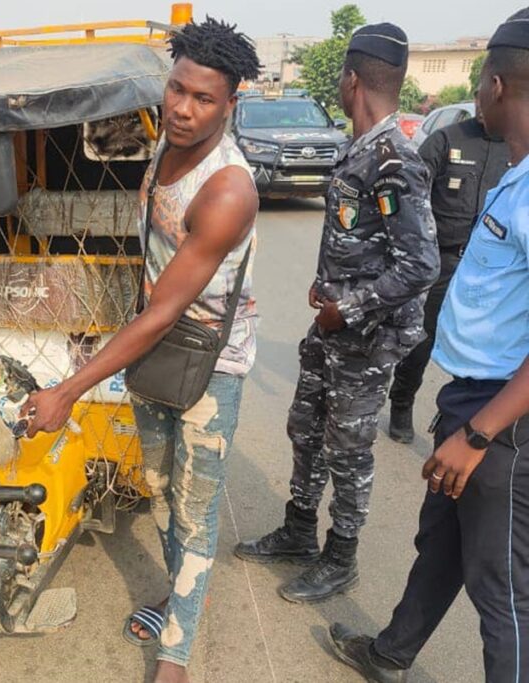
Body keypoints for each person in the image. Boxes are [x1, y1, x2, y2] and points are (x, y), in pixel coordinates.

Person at [20, 18, 261, 683]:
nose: (183, 109)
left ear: (230, 103)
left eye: (203, 99)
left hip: (211, 361)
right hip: (155, 350)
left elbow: (162, 310)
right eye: (176, 90)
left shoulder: (227, 189)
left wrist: (67, 391)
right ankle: (177, 592)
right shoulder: (164, 145)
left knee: (195, 508)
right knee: (156, 491)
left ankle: (176, 656)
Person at [327, 11, 529, 682]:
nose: (476, 96)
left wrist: (477, 434)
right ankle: (391, 654)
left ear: (497, 84)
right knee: (441, 543)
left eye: (479, 83)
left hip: (502, 416)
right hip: (473, 399)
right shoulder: (515, 174)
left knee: (502, 588)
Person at [234, 24, 439, 603]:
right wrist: (326, 286)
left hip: (366, 339)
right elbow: (365, 241)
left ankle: (340, 557)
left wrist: (346, 306)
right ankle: (299, 530)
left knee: (348, 449)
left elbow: (420, 264)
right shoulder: (361, 148)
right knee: (306, 428)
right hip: (334, 328)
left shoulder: (395, 159)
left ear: (351, 80)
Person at [386, 95, 510, 442]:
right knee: (422, 338)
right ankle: (401, 401)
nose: (484, 108)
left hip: (493, 272)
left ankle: (473, 418)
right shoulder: (447, 139)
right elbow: (411, 196)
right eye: (479, 100)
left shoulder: (519, 148)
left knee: (486, 346)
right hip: (443, 260)